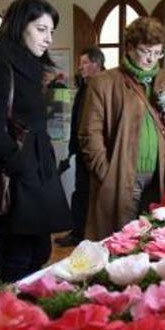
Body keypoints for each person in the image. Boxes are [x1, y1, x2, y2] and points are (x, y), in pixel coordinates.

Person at [79, 17, 165, 241]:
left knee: (157, 239)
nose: (151, 58)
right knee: (119, 241)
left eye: (157, 52)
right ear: (129, 47)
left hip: (163, 177)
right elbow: (89, 135)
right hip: (121, 176)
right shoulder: (103, 83)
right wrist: (106, 172)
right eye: (145, 51)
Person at [0, 0, 72, 281]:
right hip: (20, 176)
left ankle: (26, 314)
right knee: (17, 257)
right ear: (21, 26)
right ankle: (11, 317)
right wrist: (19, 167)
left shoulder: (31, 65)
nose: (49, 38)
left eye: (51, 31)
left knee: (40, 251)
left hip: (38, 169)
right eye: (42, 29)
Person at [56, 47, 105, 247]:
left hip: (97, 151)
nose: (80, 67)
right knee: (81, 192)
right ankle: (78, 232)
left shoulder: (104, 86)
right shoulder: (85, 86)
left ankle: (91, 234)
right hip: (81, 149)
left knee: (94, 193)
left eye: (84, 63)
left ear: (96, 64)